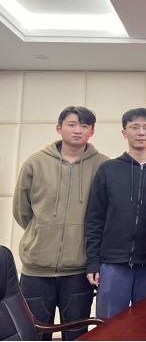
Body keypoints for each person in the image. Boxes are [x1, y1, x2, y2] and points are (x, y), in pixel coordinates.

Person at [12, 106, 109, 341]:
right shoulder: (35, 162)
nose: (78, 130)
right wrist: (41, 233)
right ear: (59, 128)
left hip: (79, 270)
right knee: (33, 334)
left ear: (92, 131)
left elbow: (105, 214)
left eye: (84, 126)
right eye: (71, 124)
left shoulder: (103, 166)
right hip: (36, 269)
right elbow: (21, 210)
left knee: (76, 334)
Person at [85, 108, 146, 319]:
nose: (141, 132)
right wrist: (93, 262)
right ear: (124, 133)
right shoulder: (108, 169)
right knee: (109, 325)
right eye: (134, 127)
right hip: (113, 262)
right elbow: (95, 218)